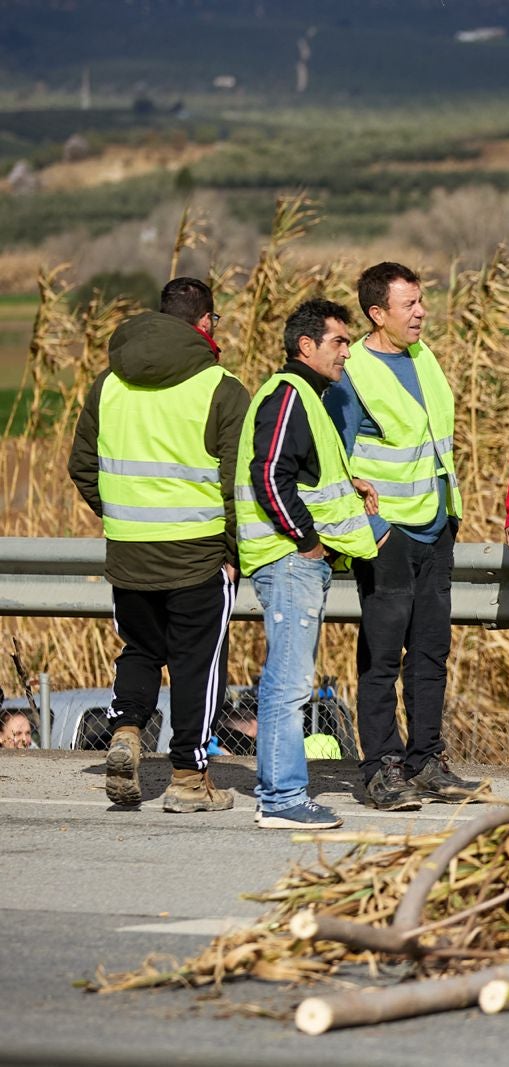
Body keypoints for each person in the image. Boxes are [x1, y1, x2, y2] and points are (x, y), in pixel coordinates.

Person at [69, 277, 249, 811]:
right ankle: (189, 780)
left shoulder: (108, 383)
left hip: (129, 551)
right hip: (198, 554)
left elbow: (82, 467)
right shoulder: (221, 386)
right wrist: (235, 552)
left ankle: (126, 730)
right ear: (205, 323)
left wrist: (122, 516)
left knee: (142, 649)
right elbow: (237, 482)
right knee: (198, 664)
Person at [325, 262, 481, 810]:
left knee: (431, 651)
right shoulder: (353, 375)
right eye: (408, 305)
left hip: (437, 525)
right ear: (377, 313)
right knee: (384, 655)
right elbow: (336, 459)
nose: (420, 313)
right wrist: (373, 528)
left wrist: (450, 513)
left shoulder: (423, 357)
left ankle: (427, 759)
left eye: (420, 302)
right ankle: (382, 768)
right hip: (388, 533)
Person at [236, 298, 385, 829]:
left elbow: (299, 474)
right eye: (338, 341)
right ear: (306, 346)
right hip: (288, 562)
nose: (347, 350)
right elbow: (270, 472)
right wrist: (305, 542)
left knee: (288, 678)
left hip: (294, 561)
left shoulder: (306, 397)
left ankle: (281, 794)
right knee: (289, 682)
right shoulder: (289, 395)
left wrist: (350, 485)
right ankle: (281, 798)